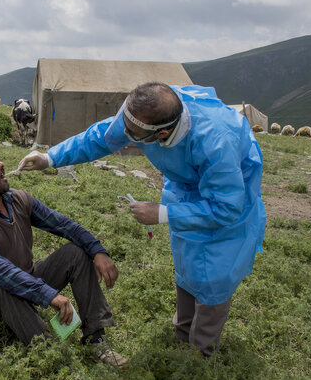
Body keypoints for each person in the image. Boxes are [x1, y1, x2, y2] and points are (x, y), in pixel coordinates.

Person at [19, 82, 266, 357]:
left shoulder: (217, 141)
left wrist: (163, 213)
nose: (125, 136)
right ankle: (182, 337)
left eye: (133, 134)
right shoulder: (142, 113)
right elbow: (101, 137)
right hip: (185, 195)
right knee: (188, 267)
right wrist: (50, 157)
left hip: (226, 206)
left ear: (161, 133)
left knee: (214, 278)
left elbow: (225, 207)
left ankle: (201, 355)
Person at [0, 146, 127, 366]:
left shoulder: (18, 199)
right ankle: (53, 356)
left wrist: (98, 250)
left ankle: (95, 339)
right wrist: (48, 295)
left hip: (28, 276)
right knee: (0, 287)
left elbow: (63, 225)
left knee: (75, 253)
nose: (1, 164)